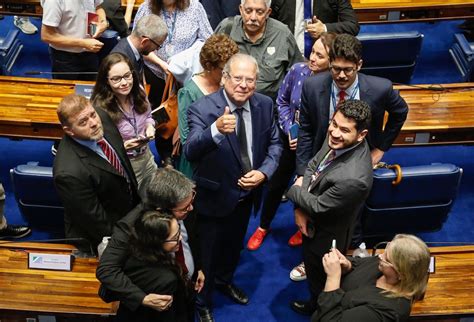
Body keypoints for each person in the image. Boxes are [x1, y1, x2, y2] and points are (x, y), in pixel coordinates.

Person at [183, 53, 282, 320]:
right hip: (213, 198)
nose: (243, 85)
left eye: (250, 79)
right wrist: (215, 130)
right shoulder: (202, 109)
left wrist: (264, 172)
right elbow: (191, 150)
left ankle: (224, 282)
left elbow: (275, 144)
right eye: (237, 78)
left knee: (233, 247)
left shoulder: (264, 105)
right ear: (225, 78)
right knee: (208, 254)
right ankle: (202, 301)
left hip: (247, 197)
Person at [247, 32, 336, 254]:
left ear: (332, 61)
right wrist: (289, 130)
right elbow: (282, 101)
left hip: (316, 147)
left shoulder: (333, 84)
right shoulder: (298, 70)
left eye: (320, 56)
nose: (312, 58)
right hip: (290, 140)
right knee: (276, 185)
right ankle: (263, 226)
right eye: (312, 51)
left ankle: (302, 225)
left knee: (308, 188)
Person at [287, 100, 374, 316]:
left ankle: (319, 311)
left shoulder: (354, 178)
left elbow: (318, 207)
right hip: (311, 218)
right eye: (333, 124)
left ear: (361, 135)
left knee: (320, 276)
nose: (334, 133)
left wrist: (295, 191)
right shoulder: (338, 139)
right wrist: (300, 207)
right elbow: (313, 166)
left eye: (344, 130)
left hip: (326, 235)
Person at [97, 168, 204, 321]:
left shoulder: (184, 202)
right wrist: (142, 298)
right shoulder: (130, 226)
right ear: (162, 210)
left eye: (191, 202)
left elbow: (193, 237)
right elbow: (106, 270)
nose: (191, 208)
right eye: (185, 208)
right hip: (162, 298)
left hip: (187, 287)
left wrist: (198, 268)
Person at [296, 33, 409, 176]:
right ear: (330, 63)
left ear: (359, 65)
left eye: (347, 69)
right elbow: (305, 130)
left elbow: (401, 112)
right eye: (336, 68)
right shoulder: (311, 86)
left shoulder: (380, 89)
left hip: (360, 162)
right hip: (321, 159)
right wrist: (302, 173)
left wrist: (381, 148)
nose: (341, 75)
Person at [53, 94, 140, 252]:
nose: (93, 123)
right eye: (83, 122)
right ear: (69, 130)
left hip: (127, 209)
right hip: (103, 237)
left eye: (92, 115)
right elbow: (97, 222)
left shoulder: (101, 117)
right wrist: (129, 243)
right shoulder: (68, 173)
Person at [133, 0, 213, 167]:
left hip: (187, 75)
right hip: (156, 72)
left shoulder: (195, 8)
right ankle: (164, 154)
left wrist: (185, 60)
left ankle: (185, 150)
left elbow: (208, 40)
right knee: (160, 115)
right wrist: (163, 65)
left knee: (186, 114)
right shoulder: (145, 8)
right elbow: (138, 43)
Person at [313, 234, 430, 322]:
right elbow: (359, 263)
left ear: (402, 274)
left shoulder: (389, 310)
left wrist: (333, 277)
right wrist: (347, 265)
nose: (380, 256)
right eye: (385, 251)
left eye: (387, 259)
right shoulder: (383, 265)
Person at [176, 34, 239, 178]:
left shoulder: (228, 84)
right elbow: (187, 140)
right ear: (209, 66)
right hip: (200, 166)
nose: (230, 73)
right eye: (224, 69)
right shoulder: (189, 93)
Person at [91, 53, 158, 188]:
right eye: (116, 79)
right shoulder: (100, 109)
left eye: (127, 76)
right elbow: (97, 145)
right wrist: (122, 147)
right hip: (124, 164)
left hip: (147, 157)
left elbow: (149, 117)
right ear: (106, 81)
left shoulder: (138, 91)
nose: (124, 83)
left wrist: (150, 126)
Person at [215, 0, 304, 101]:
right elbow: (210, 67)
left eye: (259, 12)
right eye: (248, 11)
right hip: (229, 104)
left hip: (270, 108)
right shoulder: (227, 28)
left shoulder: (282, 34)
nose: (253, 17)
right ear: (241, 10)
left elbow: (298, 73)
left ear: (268, 13)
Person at [115, 210, 192, 322]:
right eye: (175, 237)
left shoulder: (131, 253)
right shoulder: (166, 279)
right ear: (158, 242)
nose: (180, 238)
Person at [40, 0, 108, 81]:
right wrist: (83, 43)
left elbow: (98, 7)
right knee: (67, 90)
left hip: (90, 50)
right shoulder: (54, 2)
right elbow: (46, 35)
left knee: (90, 88)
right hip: (65, 56)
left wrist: (103, 22)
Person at [271, 0, 359, 56]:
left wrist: (324, 28)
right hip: (288, 58)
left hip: (324, 61)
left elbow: (352, 25)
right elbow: (270, 25)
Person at [111, 14, 168, 85]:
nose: (157, 49)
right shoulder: (120, 62)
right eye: (157, 45)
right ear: (145, 41)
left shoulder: (136, 50)